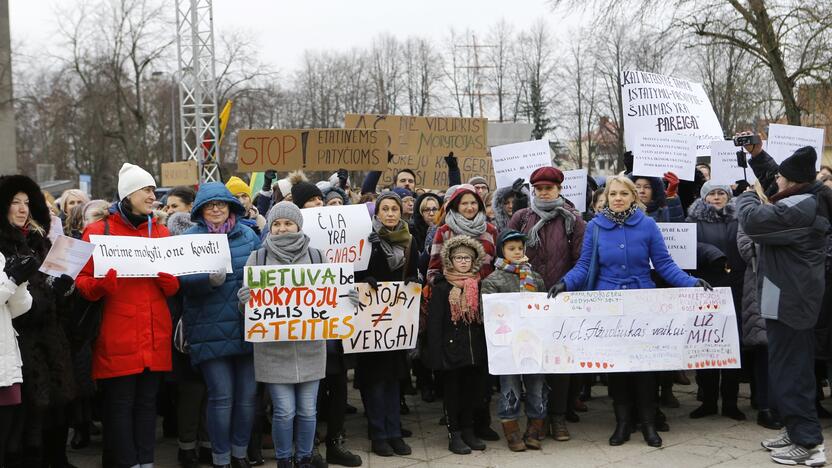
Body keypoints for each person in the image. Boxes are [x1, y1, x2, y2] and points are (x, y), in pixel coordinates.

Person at [551, 175, 707, 448]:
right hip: (608, 305)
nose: (618, 198)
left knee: (645, 368)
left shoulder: (647, 225)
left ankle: (647, 424)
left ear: (634, 196)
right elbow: (585, 266)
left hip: (642, 303)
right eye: (613, 194)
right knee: (618, 368)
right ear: (607, 198)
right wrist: (565, 283)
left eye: (624, 193)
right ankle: (622, 423)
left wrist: (692, 282)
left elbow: (665, 265)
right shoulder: (595, 227)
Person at [76, 164, 180, 468]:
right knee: (120, 407)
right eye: (147, 190)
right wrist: (100, 285)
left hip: (154, 333)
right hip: (117, 335)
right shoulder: (98, 231)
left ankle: (146, 463)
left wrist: (169, 281)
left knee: (148, 406)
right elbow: (81, 283)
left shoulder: (160, 231)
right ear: (129, 193)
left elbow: (173, 287)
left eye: (152, 190)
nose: (153, 195)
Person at [736, 139, 831, 466]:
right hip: (784, 297)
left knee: (793, 372)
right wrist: (758, 156)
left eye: (781, 177)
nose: (775, 180)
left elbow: (753, 221)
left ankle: (809, 445)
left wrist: (747, 195)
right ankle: (795, 430)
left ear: (793, 183)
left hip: (792, 302)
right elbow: (776, 182)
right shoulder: (803, 196)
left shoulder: (802, 207)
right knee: (786, 368)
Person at [237, 201, 341, 468]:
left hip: (310, 348)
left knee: (308, 411)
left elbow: (332, 300)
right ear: (270, 227)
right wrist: (244, 300)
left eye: (288, 223)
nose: (282, 229)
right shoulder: (257, 258)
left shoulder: (317, 257)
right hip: (273, 351)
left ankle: (304, 458)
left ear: (298, 225)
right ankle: (284, 459)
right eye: (277, 224)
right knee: (284, 412)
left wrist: (347, 297)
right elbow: (248, 310)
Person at [178, 182, 261, 468]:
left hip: (248, 328)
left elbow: (266, 273)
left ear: (230, 207)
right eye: (210, 205)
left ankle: (240, 454)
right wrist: (206, 280)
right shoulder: (190, 237)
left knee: (248, 397)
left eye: (221, 204)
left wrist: (257, 293)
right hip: (208, 330)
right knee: (222, 396)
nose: (216, 208)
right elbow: (181, 284)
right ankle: (221, 457)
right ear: (201, 209)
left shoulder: (249, 235)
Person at [507, 166, 586, 441]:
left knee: (560, 362)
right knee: (531, 359)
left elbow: (580, 259)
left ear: (559, 189)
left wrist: (568, 285)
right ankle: (536, 418)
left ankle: (558, 418)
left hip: (561, 297)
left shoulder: (573, 219)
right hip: (525, 297)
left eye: (549, 188)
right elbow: (506, 252)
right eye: (539, 188)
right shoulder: (521, 218)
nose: (544, 192)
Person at [355, 192, 418, 457]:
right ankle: (378, 433)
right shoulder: (365, 239)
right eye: (385, 209)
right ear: (377, 213)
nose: (391, 213)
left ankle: (394, 431)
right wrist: (367, 275)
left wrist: (413, 284)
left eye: (394, 208)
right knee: (375, 382)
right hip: (370, 323)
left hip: (395, 323)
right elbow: (355, 273)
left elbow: (413, 272)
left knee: (394, 380)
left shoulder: (408, 240)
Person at [481, 230, 547, 452]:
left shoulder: (535, 278)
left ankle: (535, 427)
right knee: (510, 387)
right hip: (507, 345)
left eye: (520, 248)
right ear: (502, 251)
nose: (517, 252)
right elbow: (488, 314)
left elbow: (545, 310)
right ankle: (510, 428)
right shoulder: (493, 280)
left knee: (536, 386)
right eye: (511, 249)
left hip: (533, 343)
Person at [686, 181, 747, 421]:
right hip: (706, 287)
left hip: (736, 288)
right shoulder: (693, 221)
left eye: (722, 193)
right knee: (706, 344)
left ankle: (731, 402)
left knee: (732, 345)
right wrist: (712, 254)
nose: (717, 197)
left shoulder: (739, 219)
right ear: (704, 197)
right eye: (712, 193)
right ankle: (708, 400)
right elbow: (687, 245)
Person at [423, 236, 489, 455]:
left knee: (472, 392)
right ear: (450, 260)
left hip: (474, 350)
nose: (463, 261)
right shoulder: (442, 287)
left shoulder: (478, 285)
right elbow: (434, 323)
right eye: (458, 257)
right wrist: (435, 355)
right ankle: (455, 433)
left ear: (474, 261)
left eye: (467, 258)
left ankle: (469, 429)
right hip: (450, 350)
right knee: (452, 394)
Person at [0, 252, 34, 467]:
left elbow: (19, 309)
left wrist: (19, 281)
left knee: (5, 432)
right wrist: (10, 280)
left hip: (5, 358)